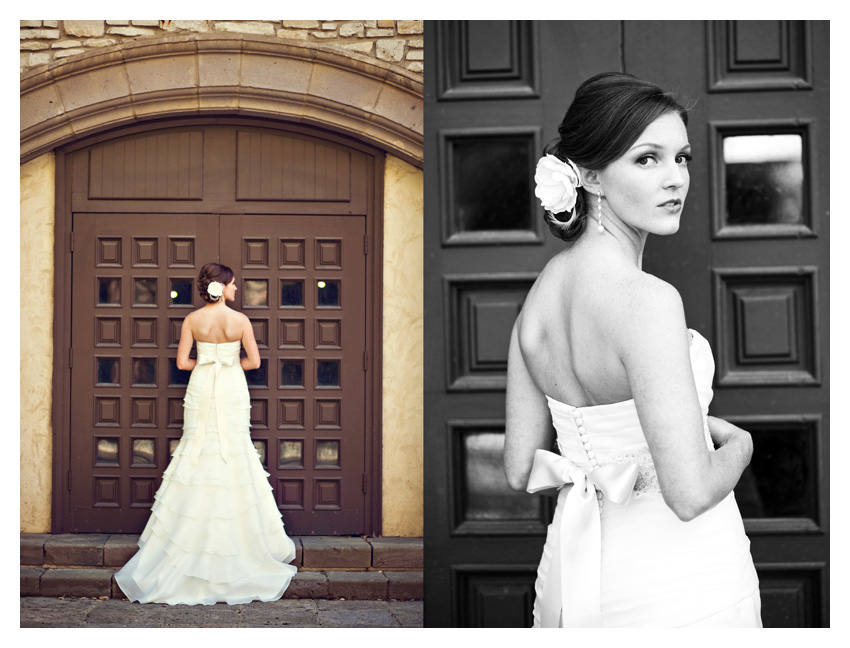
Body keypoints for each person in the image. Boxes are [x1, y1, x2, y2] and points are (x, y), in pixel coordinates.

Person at [504, 73, 762, 627]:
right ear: (591, 176)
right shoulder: (648, 301)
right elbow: (689, 495)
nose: (676, 180)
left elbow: (521, 468)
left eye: (682, 158)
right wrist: (738, 444)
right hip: (677, 580)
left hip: (574, 574)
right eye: (648, 159)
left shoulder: (538, 301)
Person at [115, 262, 297, 605]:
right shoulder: (240, 321)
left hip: (201, 386)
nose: (236, 290)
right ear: (221, 287)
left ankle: (181, 541)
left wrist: (207, 365)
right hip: (230, 386)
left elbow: (183, 363)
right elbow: (254, 362)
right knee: (234, 446)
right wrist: (227, 365)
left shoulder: (192, 321)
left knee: (196, 446)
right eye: (233, 285)